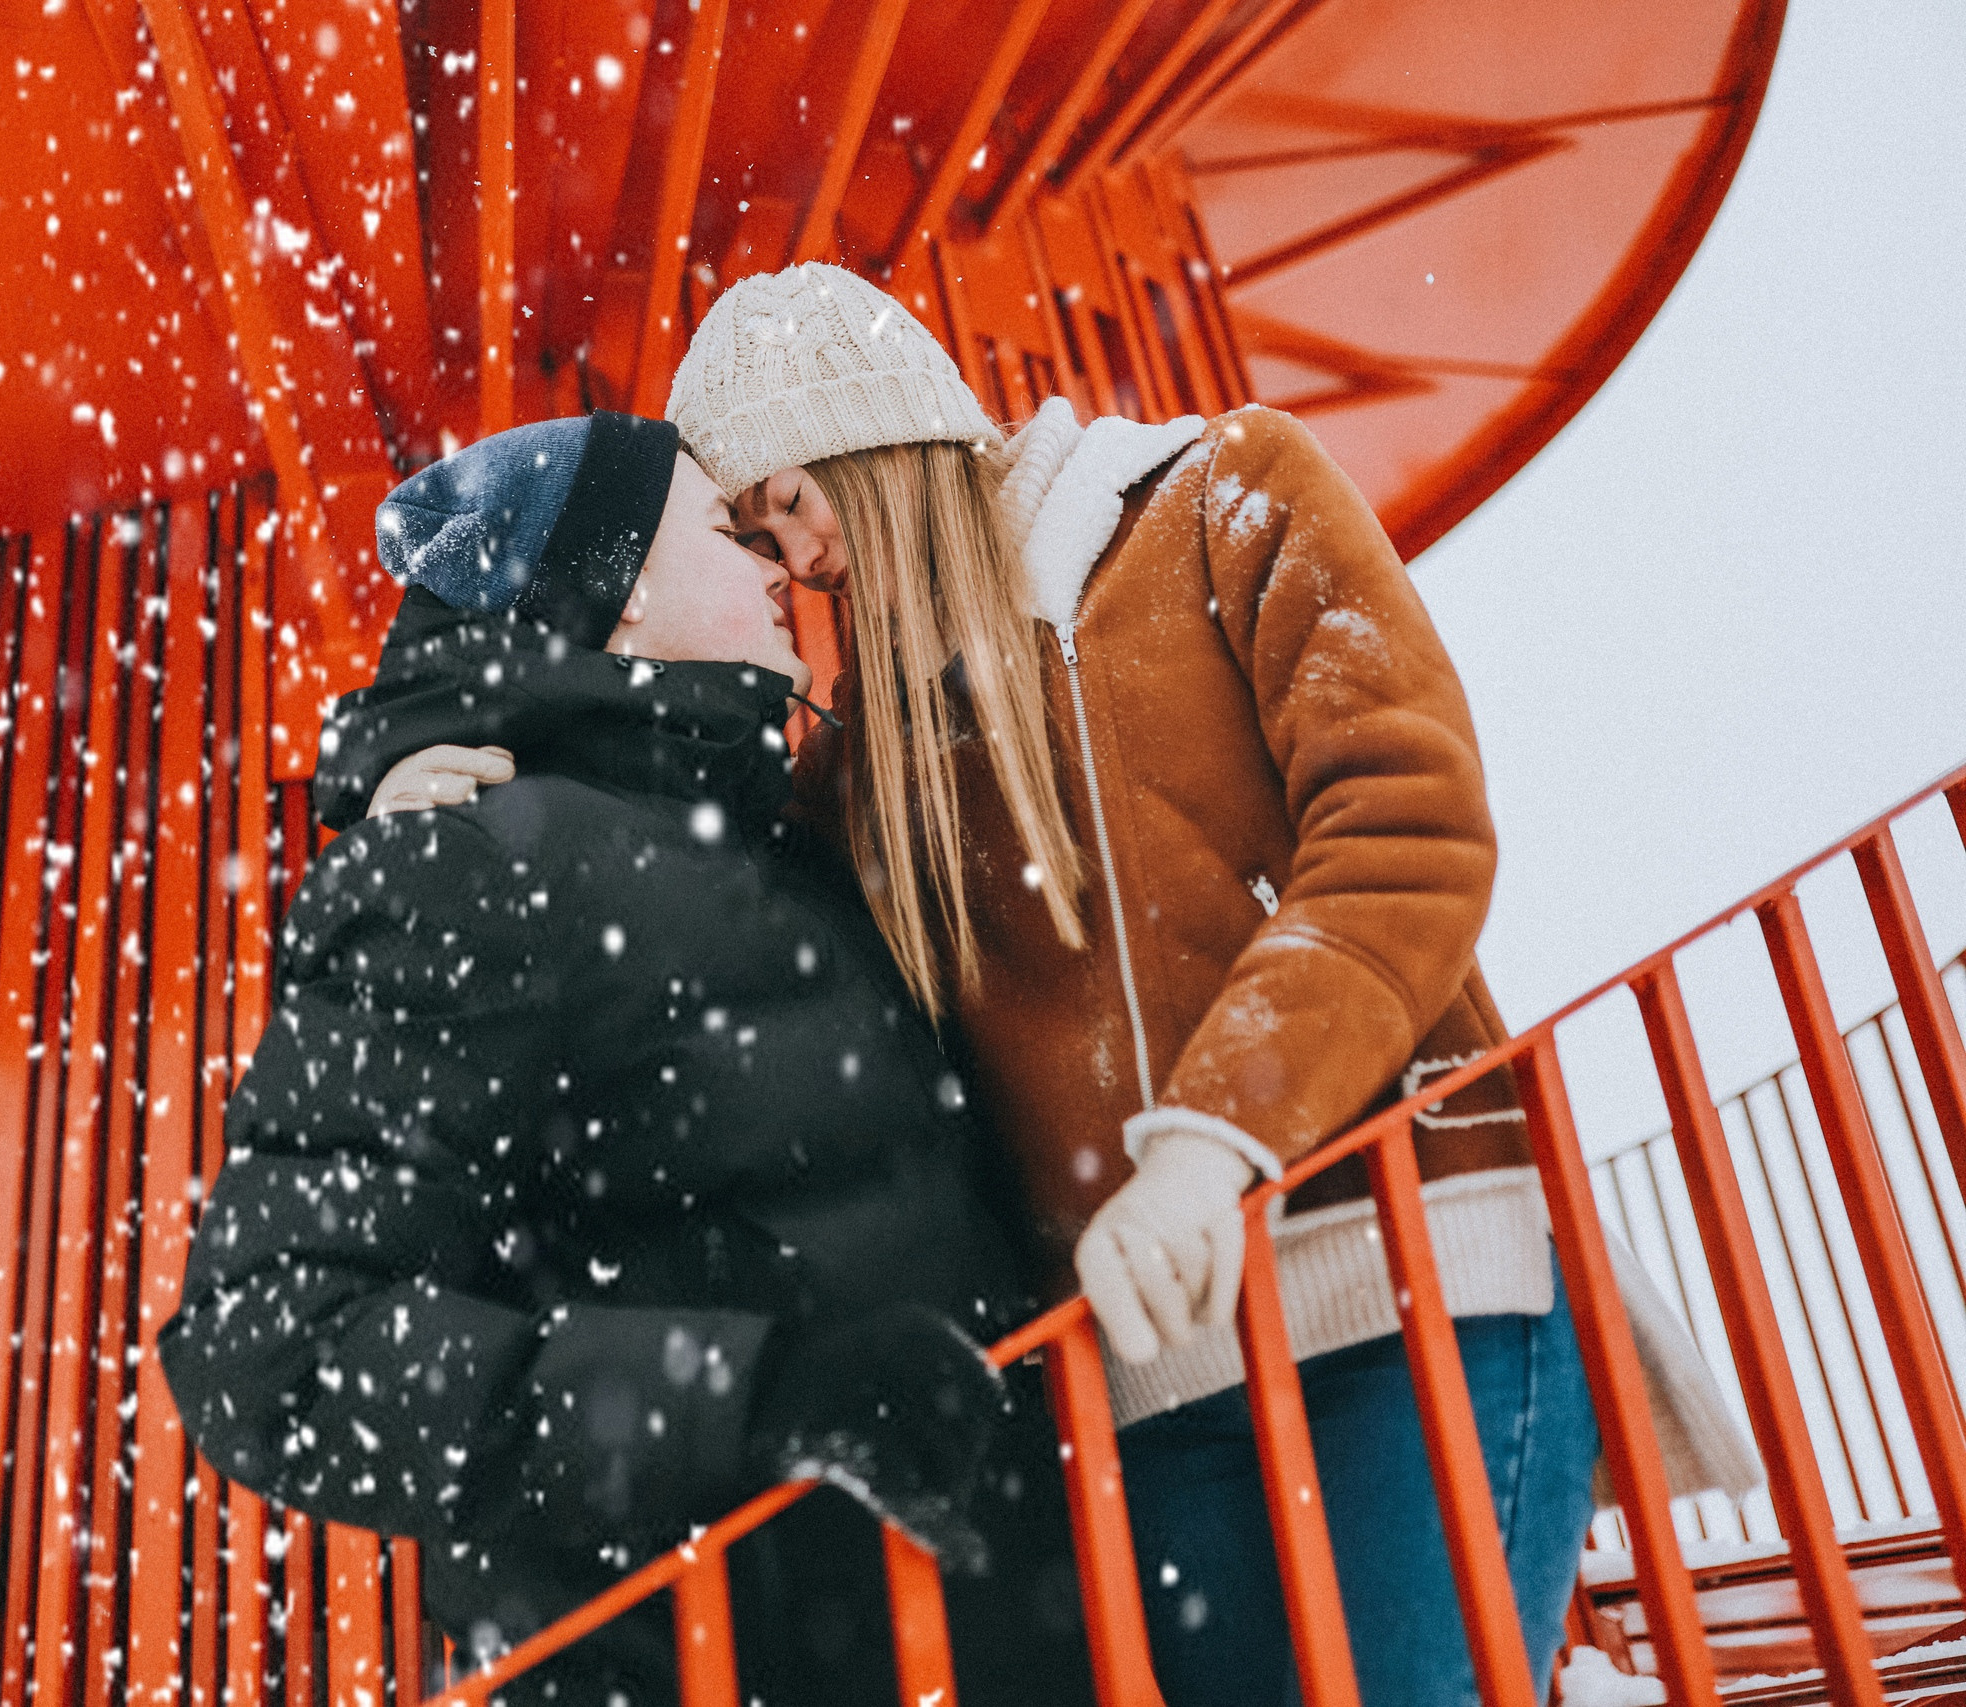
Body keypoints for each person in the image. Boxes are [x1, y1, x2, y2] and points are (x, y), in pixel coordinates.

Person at [366, 266, 1759, 1707]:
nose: (791, 561)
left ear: (867, 434)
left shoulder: (1227, 499)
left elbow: (1406, 831)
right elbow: (683, 897)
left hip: (1411, 1283)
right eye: (750, 532)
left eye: (788, 499)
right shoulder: (861, 772)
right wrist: (461, 786)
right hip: (1151, 1378)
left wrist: (1216, 1139)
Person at [159, 408, 1091, 1707]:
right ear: (610, 595)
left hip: (1000, 1625)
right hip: (719, 1658)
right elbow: (274, 1348)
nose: (777, 559)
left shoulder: (792, 840)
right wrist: (760, 1399)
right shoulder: (470, 865)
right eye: (724, 527)